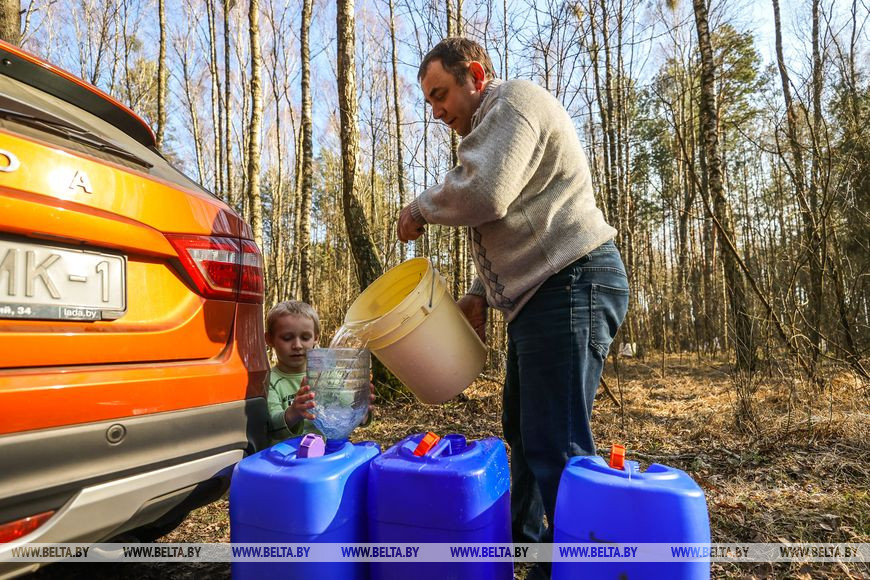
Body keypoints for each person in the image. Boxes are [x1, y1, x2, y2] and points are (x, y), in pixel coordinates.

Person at [397, 37, 629, 572]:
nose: (437, 112)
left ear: (475, 74)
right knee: (524, 432)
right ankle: (526, 548)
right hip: (540, 300)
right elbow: (513, 216)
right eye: (430, 102)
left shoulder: (514, 102)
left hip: (572, 283)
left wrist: (420, 207)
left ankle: (575, 565)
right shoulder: (492, 126)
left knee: (558, 441)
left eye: (441, 95)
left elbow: (487, 195)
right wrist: (480, 295)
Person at [264, 300, 320, 445]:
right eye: (287, 338)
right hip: (285, 461)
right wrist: (293, 413)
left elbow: (345, 408)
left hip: (327, 458)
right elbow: (271, 425)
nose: (297, 345)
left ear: (316, 338)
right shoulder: (268, 381)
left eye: (305, 337)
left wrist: (361, 409)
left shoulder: (326, 376)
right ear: (269, 339)